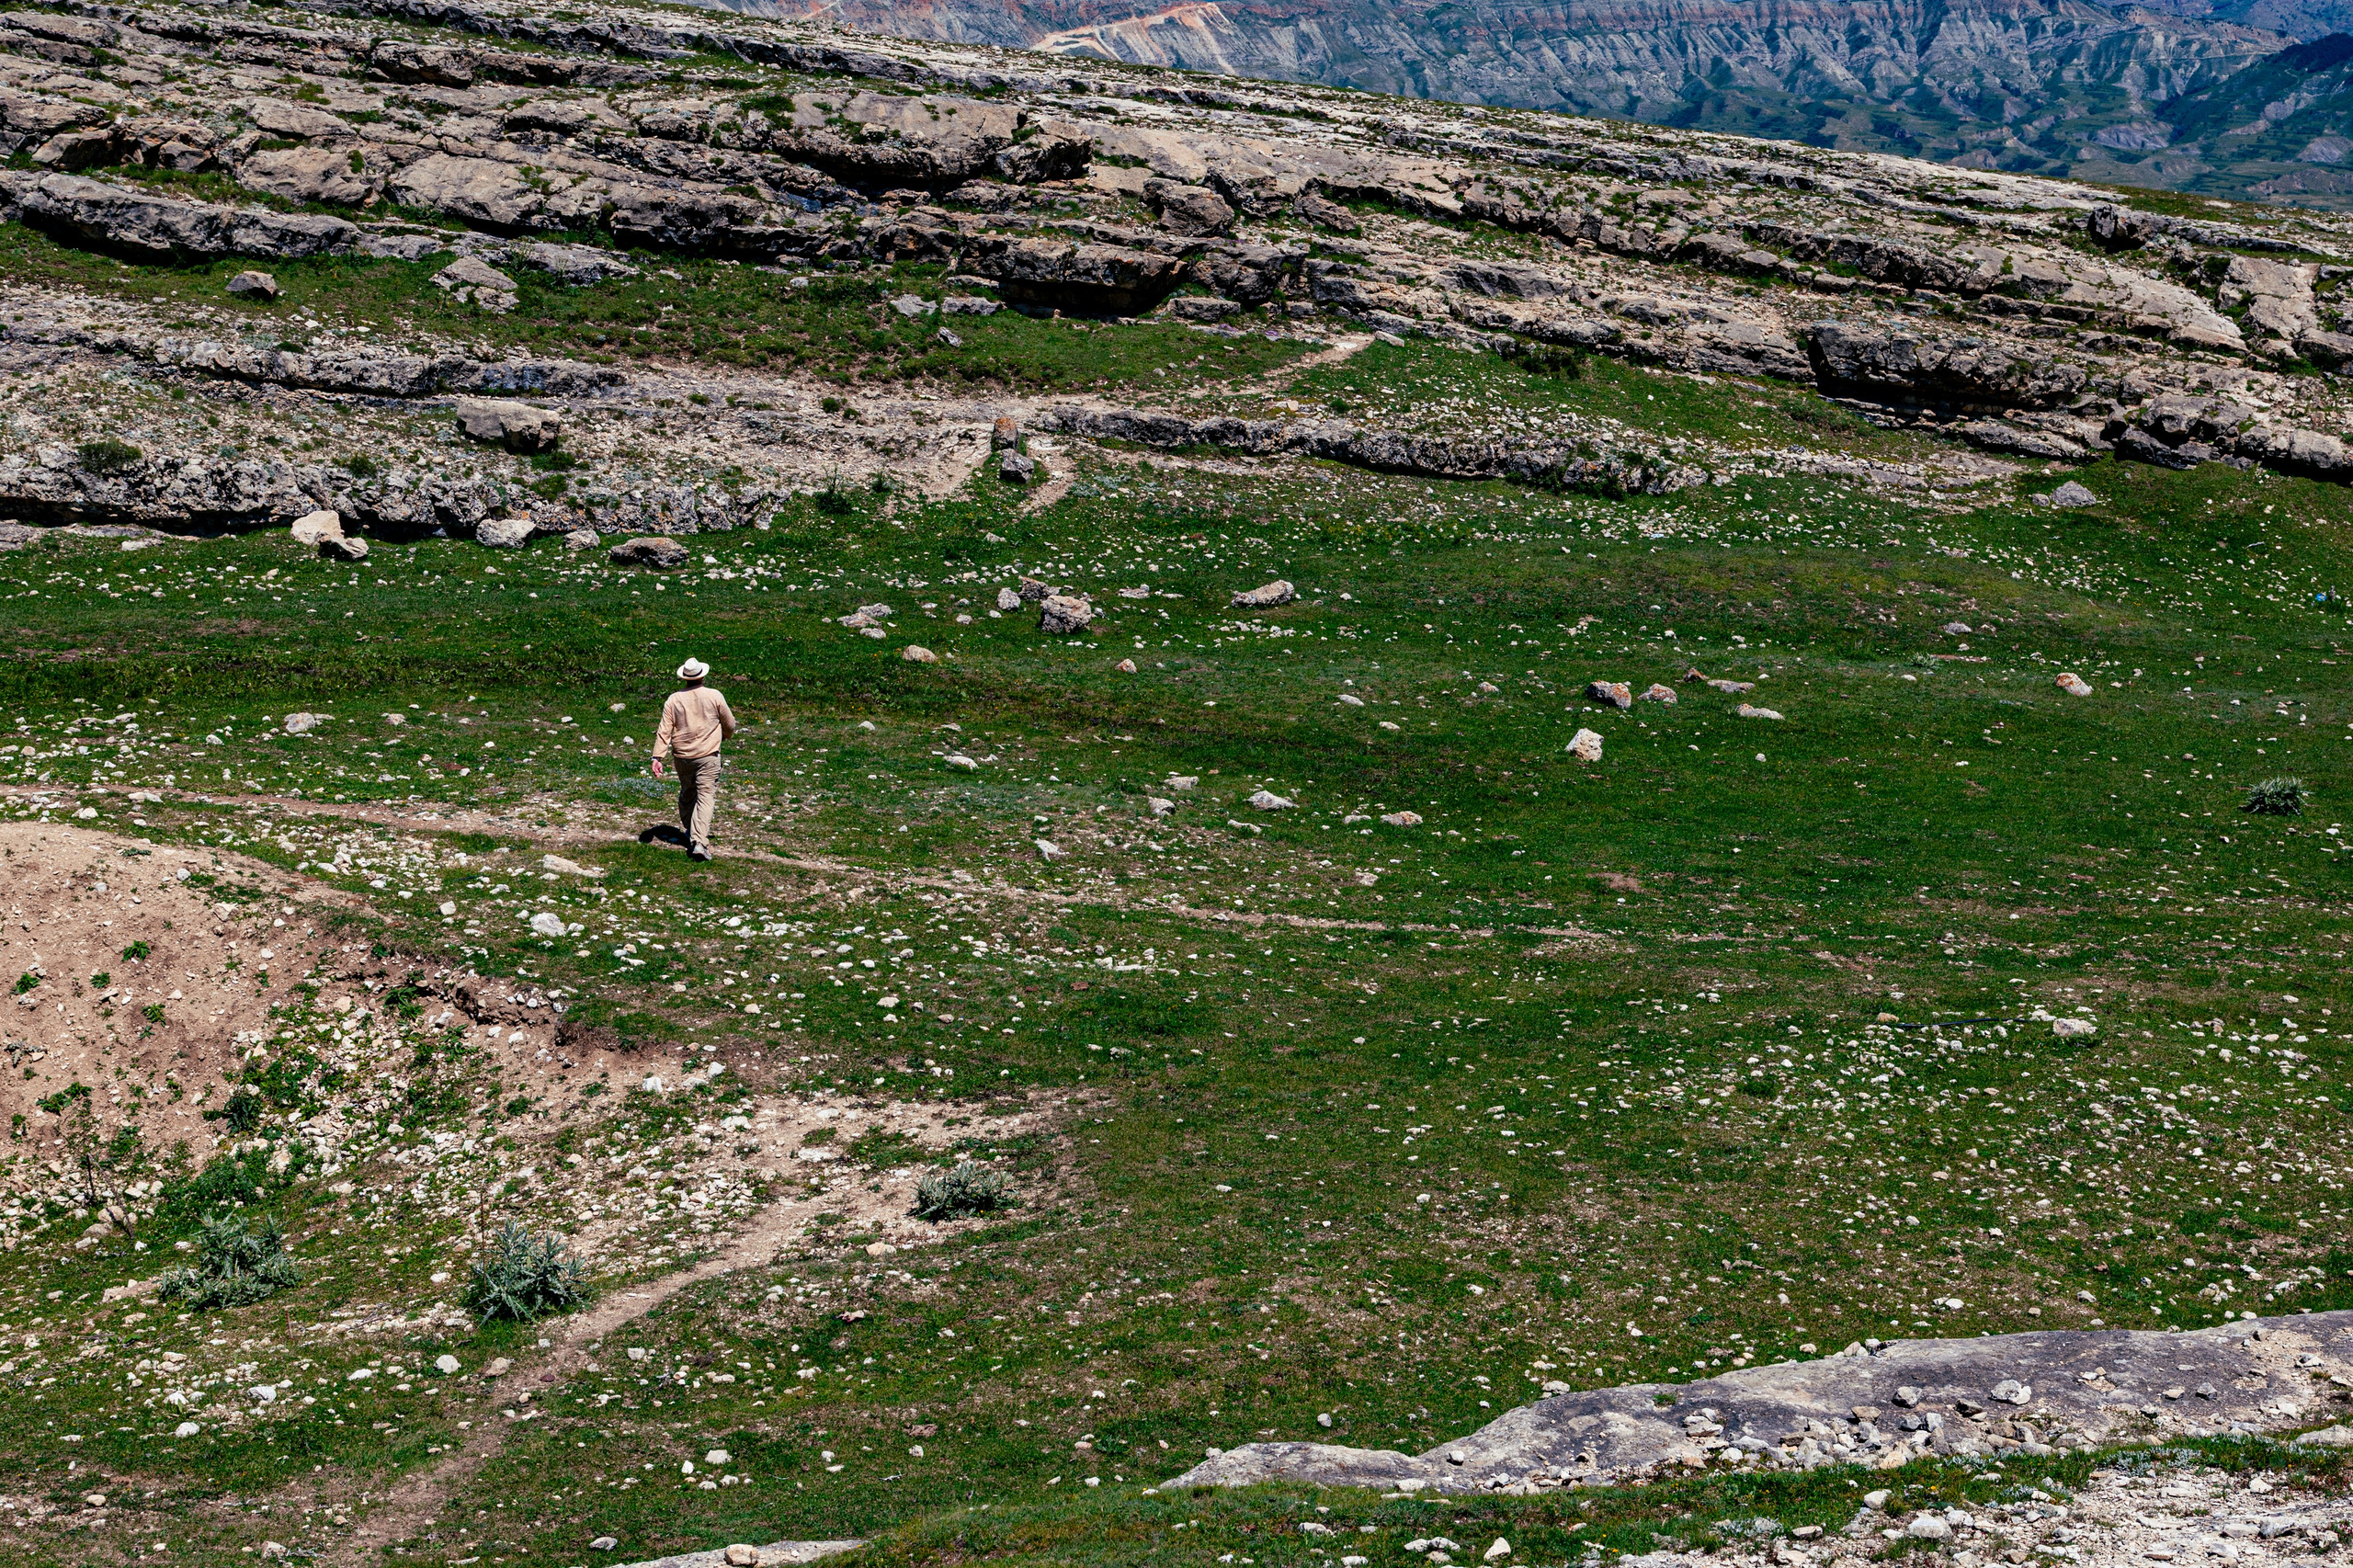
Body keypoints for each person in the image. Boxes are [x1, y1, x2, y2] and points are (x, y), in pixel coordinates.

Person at [651, 657, 737, 861]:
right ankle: (699, 841)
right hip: (708, 755)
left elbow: (664, 730)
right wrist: (725, 735)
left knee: (688, 793)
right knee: (706, 796)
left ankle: (692, 830)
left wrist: (657, 756)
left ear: (685, 678)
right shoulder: (714, 696)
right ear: (703, 675)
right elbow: (730, 722)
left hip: (683, 756)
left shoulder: (673, 700)